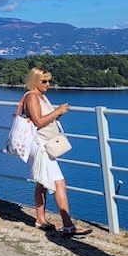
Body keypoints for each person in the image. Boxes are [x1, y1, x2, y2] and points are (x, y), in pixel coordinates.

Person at [22, 67, 90, 236]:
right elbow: (38, 121)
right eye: (43, 81)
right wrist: (58, 111)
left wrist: (56, 114)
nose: (47, 84)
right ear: (34, 81)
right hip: (41, 146)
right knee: (59, 182)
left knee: (42, 183)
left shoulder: (41, 96)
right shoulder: (32, 96)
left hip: (44, 145)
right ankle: (68, 225)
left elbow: (44, 118)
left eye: (49, 81)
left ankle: (40, 220)